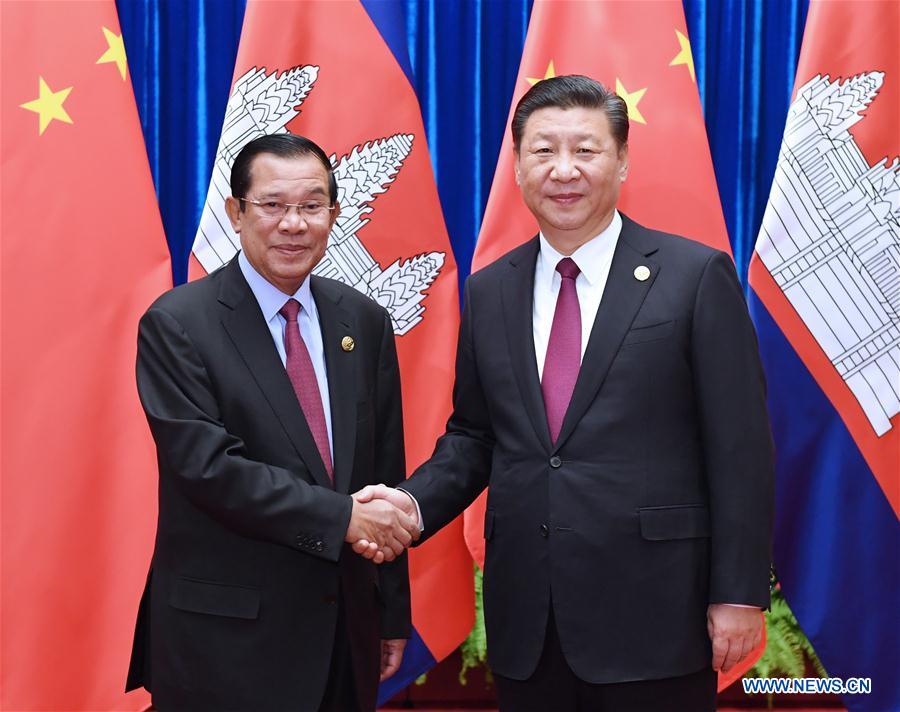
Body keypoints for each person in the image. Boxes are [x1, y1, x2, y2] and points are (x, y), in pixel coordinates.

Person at [354, 75, 774, 711]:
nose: (563, 170)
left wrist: (738, 592)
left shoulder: (694, 276)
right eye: (543, 151)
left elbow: (740, 446)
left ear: (623, 160)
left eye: (586, 149)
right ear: (518, 166)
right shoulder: (491, 289)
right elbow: (474, 436)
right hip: (531, 617)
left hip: (658, 614)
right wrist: (411, 507)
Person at [126, 133, 419, 711]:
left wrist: (391, 610)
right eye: (273, 205)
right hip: (225, 641)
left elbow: (385, 468)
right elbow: (209, 470)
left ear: (334, 215)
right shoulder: (179, 323)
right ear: (236, 213)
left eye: (312, 206)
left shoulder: (362, 319)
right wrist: (343, 519)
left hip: (343, 634)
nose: (294, 224)